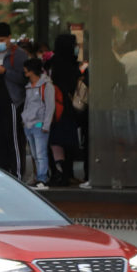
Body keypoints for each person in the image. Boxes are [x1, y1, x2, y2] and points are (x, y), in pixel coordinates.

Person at [0, 22, 28, 179]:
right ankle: (2, 173)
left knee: (14, 139)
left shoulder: (19, 55)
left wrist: (5, 72)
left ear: (9, 38)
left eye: (2, 39)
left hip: (11, 101)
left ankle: (17, 175)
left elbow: (24, 78)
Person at [45, 33, 82, 186]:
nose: (76, 48)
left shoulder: (52, 62)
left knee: (55, 140)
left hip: (54, 106)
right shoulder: (70, 64)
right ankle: (66, 174)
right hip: (66, 107)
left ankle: (56, 172)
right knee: (68, 141)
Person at [21, 57, 55, 189]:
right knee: (35, 154)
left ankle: (42, 178)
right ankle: (39, 177)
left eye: (26, 71)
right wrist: (24, 120)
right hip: (29, 124)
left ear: (31, 71)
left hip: (39, 124)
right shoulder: (29, 86)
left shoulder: (46, 86)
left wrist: (46, 125)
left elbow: (50, 106)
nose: (24, 73)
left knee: (40, 154)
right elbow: (27, 105)